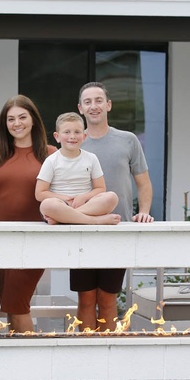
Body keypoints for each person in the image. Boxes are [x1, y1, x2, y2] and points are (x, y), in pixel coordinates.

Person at [72, 81, 155, 331]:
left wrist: (144, 212)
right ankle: (85, 355)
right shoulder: (74, 141)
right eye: (88, 102)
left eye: (99, 100)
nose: (93, 106)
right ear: (80, 108)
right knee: (86, 299)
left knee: (108, 299)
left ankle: (107, 359)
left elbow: (144, 183)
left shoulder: (128, 141)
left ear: (108, 105)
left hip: (116, 231)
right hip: (80, 232)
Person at [0, 95, 57, 332]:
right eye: (11, 119)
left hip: (32, 239)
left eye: (22, 117)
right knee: (9, 304)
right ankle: (13, 362)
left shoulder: (49, 154)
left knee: (18, 305)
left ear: (34, 120)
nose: (17, 123)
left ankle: (29, 363)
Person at [35, 112, 120, 225]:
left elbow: (100, 188)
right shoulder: (51, 161)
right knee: (47, 205)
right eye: (67, 132)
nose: (72, 136)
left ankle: (64, 218)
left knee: (111, 197)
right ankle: (94, 221)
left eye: (77, 132)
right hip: (61, 204)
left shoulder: (91, 158)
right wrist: (63, 198)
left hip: (86, 204)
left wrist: (83, 198)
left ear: (84, 136)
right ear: (57, 136)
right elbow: (40, 193)